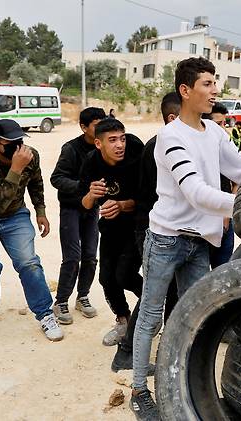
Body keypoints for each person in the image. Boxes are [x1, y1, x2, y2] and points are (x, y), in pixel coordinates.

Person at [130, 57, 241, 420]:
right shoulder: (171, 137)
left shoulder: (215, 131)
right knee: (151, 316)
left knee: (195, 317)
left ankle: (182, 380)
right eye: (207, 83)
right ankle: (140, 390)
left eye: (215, 82)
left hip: (198, 243)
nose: (215, 90)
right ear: (185, 90)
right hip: (166, 239)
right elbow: (196, 193)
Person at [0, 119, 63, 342]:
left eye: (20, 140)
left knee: (29, 263)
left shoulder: (30, 155)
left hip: (15, 215)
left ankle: (45, 314)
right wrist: (16, 168)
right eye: (11, 142)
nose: (18, 146)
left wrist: (41, 210)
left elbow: (36, 183)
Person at [110, 92, 181, 374]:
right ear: (173, 117)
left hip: (161, 227)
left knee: (170, 289)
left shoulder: (172, 142)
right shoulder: (162, 146)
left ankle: (169, 348)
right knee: (156, 290)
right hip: (154, 228)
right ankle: (126, 353)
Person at [78, 119, 145, 347]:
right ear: (98, 143)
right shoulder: (91, 162)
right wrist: (91, 194)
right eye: (113, 140)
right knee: (107, 278)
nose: (120, 145)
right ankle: (123, 321)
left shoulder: (137, 153)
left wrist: (123, 204)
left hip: (138, 226)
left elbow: (150, 198)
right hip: (110, 227)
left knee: (125, 275)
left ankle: (151, 308)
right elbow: (85, 205)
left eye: (122, 138)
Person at [50, 107, 106, 324]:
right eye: (96, 125)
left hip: (92, 210)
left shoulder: (103, 149)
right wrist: (83, 187)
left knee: (91, 256)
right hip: (71, 208)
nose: (101, 129)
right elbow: (57, 178)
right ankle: (61, 301)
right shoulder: (71, 149)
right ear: (84, 127)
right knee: (72, 257)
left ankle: (82, 296)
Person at [202, 102, 236, 268]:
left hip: (225, 223)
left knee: (222, 272)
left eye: (224, 124)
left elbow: (237, 180)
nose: (223, 128)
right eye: (218, 124)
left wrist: (226, 213)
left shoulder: (227, 147)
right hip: (202, 223)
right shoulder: (196, 151)